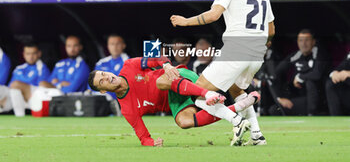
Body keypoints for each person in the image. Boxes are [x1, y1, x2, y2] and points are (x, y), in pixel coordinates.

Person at [170, 0, 275, 146]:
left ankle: (237, 121)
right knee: (237, 89)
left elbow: (213, 15)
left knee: (199, 92)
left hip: (238, 49)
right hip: (257, 55)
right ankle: (257, 135)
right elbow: (271, 30)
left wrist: (185, 22)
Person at [88, 56, 260, 146]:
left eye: (104, 74)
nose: (107, 78)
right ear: (103, 91)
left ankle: (207, 94)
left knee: (160, 81)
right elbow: (144, 137)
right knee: (184, 122)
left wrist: (166, 65)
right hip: (176, 101)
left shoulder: (129, 66)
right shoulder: (127, 109)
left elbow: (157, 58)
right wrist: (151, 143)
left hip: (178, 77)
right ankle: (238, 107)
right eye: (101, 81)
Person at [269, 29, 328, 116]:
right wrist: (279, 98)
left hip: (321, 100)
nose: (303, 44)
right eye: (300, 40)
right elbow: (275, 75)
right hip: (301, 99)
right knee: (274, 110)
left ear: (313, 41)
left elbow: (317, 74)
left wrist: (300, 77)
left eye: (307, 40)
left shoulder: (320, 54)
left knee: (310, 82)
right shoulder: (296, 55)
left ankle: (312, 115)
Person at [8, 43, 51, 117]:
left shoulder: (42, 68)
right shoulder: (18, 68)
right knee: (13, 90)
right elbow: (10, 86)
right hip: (20, 98)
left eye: (33, 53)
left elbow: (42, 86)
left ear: (39, 54)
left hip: (35, 98)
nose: (31, 57)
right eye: (28, 54)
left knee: (16, 85)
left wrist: (21, 85)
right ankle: (19, 116)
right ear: (24, 54)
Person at [92, 34, 128, 115]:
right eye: (112, 44)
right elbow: (93, 81)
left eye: (117, 44)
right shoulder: (101, 62)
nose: (114, 47)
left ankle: (116, 108)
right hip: (102, 95)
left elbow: (119, 82)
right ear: (108, 46)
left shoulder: (128, 61)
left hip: (118, 97)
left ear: (123, 45)